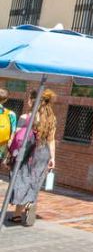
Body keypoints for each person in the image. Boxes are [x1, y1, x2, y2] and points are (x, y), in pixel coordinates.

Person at [8, 88, 56, 226]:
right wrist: (53, 158)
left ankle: (24, 206)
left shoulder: (25, 117)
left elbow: (16, 138)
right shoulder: (52, 118)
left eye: (29, 98)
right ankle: (20, 212)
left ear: (32, 101)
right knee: (34, 181)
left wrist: (10, 153)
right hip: (43, 153)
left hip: (28, 152)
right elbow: (51, 139)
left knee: (21, 179)